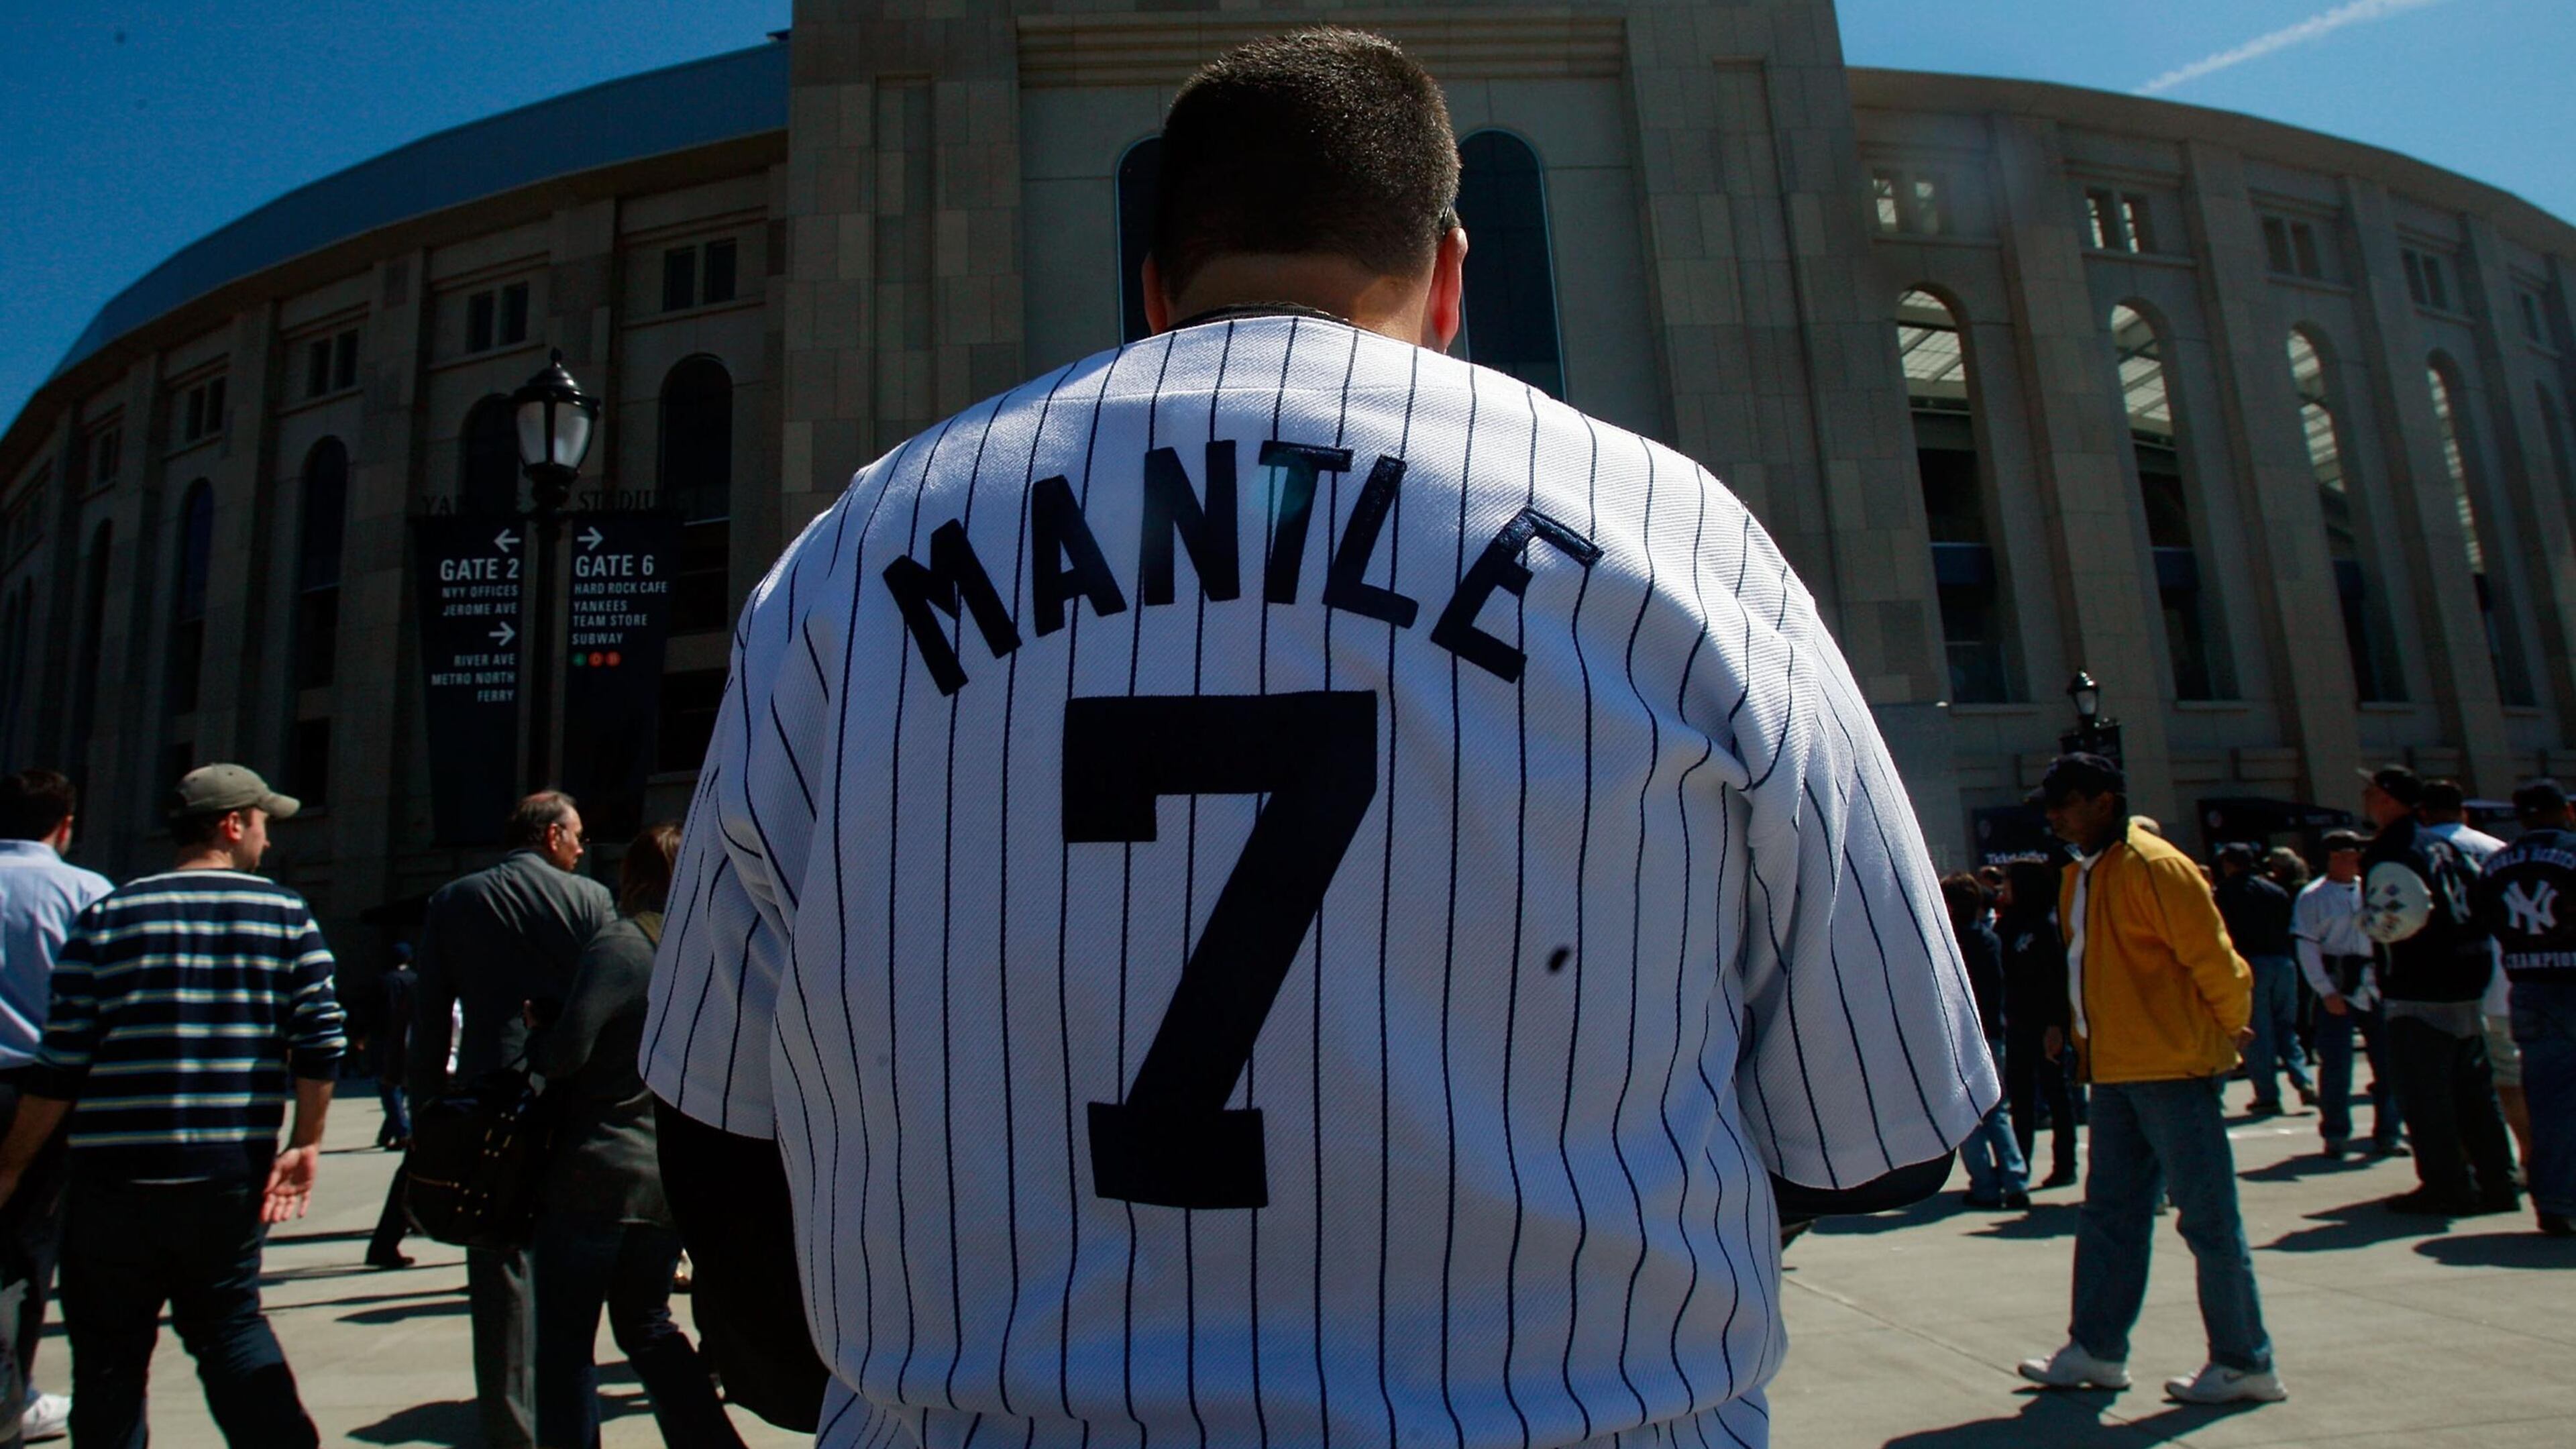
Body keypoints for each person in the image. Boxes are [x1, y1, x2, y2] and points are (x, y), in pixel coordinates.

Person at [642, 28, 2000, 1446]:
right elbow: (1880, 1135)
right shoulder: (1671, 532)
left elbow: (720, 1138)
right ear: (1455, 274)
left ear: (1156, 288)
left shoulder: (855, 557)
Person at [0, 764, 343, 1446]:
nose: (267, 842)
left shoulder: (107, 916)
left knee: (108, 1360)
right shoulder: (283, 914)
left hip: (111, 1179)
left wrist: (11, 1168)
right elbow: (320, 1039)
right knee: (230, 1328)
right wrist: (306, 1139)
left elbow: (62, 1063)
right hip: (224, 1171)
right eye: (263, 822)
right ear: (232, 823)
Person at [2017, 753, 2282, 1405]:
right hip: (2119, 1070)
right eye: (2050, 804)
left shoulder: (2154, 866)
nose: (2054, 815)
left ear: (2105, 801)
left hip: (2168, 1067)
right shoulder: (2087, 873)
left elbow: (2215, 958)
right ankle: (2098, 1349)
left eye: (2066, 801)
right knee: (2110, 1215)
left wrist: (2230, 1027)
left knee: (2207, 1219)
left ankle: (2245, 1360)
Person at [529, 823, 745, 1449]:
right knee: (649, 1326)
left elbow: (567, 1053)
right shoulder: (704, 951)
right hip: (665, 1178)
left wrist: (540, 1033)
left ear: (635, 876)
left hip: (595, 1175)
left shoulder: (623, 945)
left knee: (566, 1345)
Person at [413, 791, 615, 1449]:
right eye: (577, 834)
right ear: (552, 835)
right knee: (570, 1258)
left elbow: (432, 1012)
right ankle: (567, 1420)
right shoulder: (589, 901)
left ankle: (509, 1426)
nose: (582, 847)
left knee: (496, 1260)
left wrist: (426, 1108)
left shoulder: (454, 900)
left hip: (482, 1093)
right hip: (565, 1093)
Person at [0, 770, 109, 1444]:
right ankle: (12, 1396)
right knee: (26, 1246)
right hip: (41, 1094)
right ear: (65, 824)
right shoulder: (85, 891)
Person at [2357, 764, 2518, 1216]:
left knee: (2427, 1098)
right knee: (2474, 1094)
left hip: (2419, 986)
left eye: (2371, 791)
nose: (2366, 798)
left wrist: (2366, 922)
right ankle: (2497, 1180)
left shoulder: (2393, 850)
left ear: (2388, 798)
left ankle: (2447, 1185)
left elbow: (2397, 918)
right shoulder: (2440, 845)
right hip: (2466, 979)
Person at [2472, 780, 2576, 1236]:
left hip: (2528, 986)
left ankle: (2553, 1200)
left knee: (2547, 1101)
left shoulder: (2496, 865)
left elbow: (2480, 919)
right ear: (2566, 812)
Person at [2294, 830, 2402, 1160]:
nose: (2349, 861)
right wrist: (2326, 990)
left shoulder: (2373, 891)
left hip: (2375, 983)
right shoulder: (2313, 897)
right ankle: (2336, 1133)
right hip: (2338, 981)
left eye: (2354, 855)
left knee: (2389, 1065)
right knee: (2338, 1065)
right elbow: (2307, 947)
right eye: (2341, 855)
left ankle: (2388, 1132)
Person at [1945, 875, 2029, 1210]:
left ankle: (1984, 1185)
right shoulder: (1990, 940)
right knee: (1997, 1110)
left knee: (1966, 1112)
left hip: (1957, 1032)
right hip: (1991, 1029)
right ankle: (2015, 1176)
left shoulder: (1947, 943)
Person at [2214, 842, 2315, 1116]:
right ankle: (2302, 1078)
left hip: (2251, 964)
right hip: (2283, 961)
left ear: (2230, 864)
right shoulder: (2275, 891)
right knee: (2286, 1027)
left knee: (2257, 1032)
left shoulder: (2225, 893)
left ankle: (2268, 1094)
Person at [1998, 859, 2079, 1189]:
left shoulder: (2047, 925)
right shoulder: (2007, 925)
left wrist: (2057, 1024)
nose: (2004, 889)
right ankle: (2019, 1164)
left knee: (2057, 1094)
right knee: (2020, 1097)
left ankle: (2065, 1164)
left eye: (2009, 883)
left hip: (2046, 1023)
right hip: (2015, 1022)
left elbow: (2057, 978)